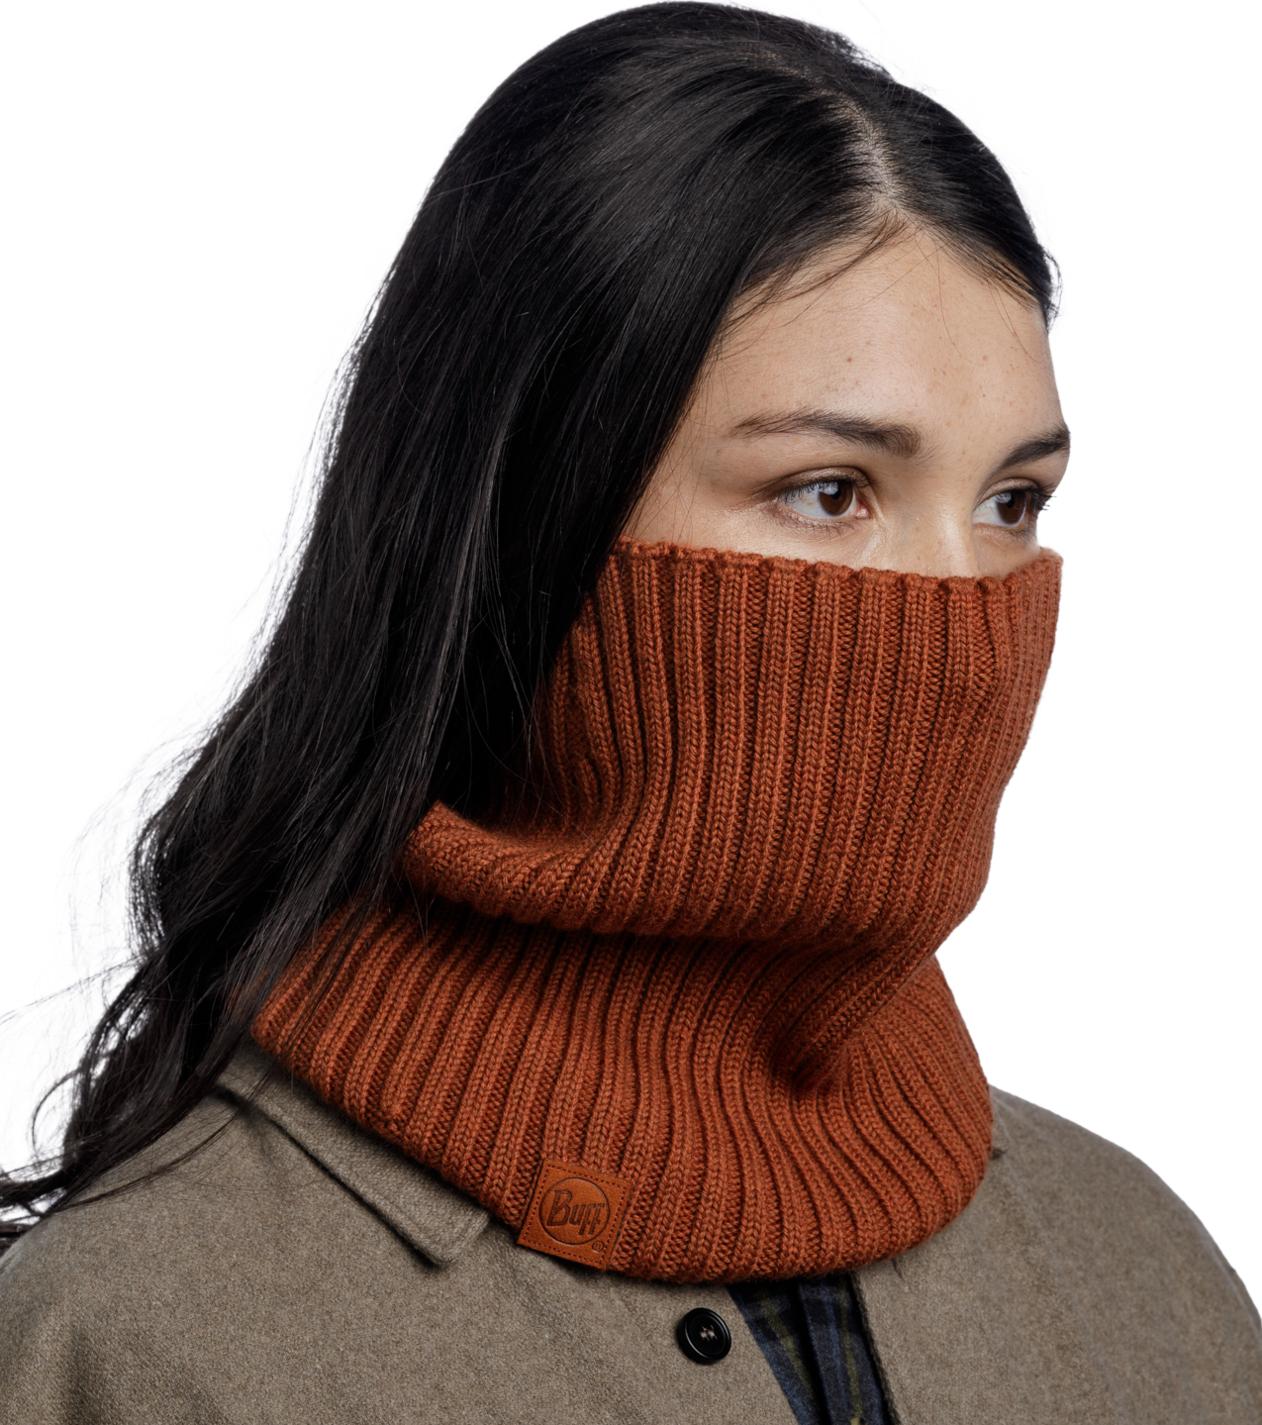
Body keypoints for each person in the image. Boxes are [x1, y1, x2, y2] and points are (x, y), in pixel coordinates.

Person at [1, 4, 1258, 1422]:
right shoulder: (144, 1340)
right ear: (529, 516)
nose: (960, 613)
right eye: (830, 491)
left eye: (1011, 502)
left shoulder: (1144, 1278)